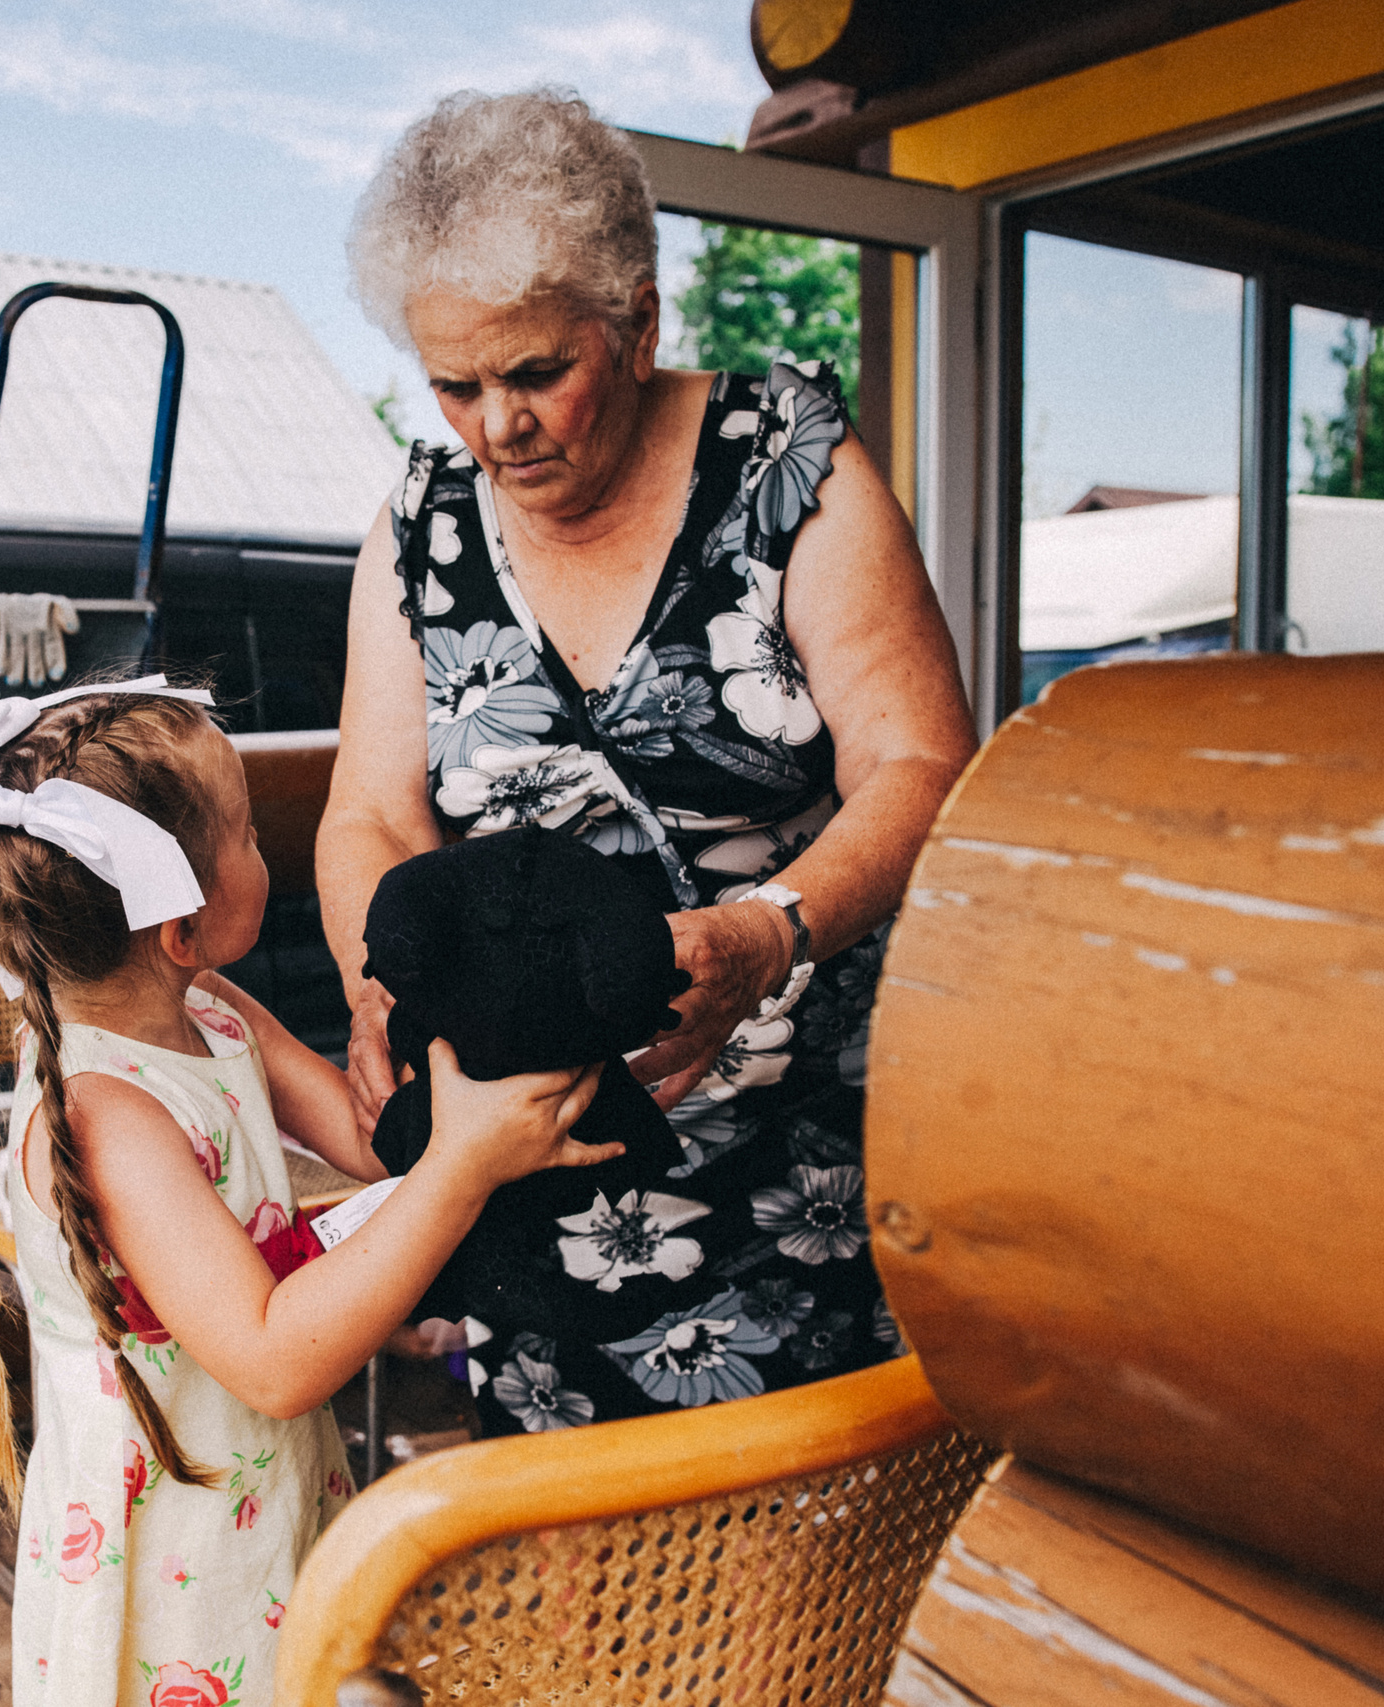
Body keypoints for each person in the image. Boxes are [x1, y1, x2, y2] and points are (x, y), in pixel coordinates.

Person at [318, 89, 977, 1435]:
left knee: (790, 1575)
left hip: (793, 1164)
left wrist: (768, 932)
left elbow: (923, 763)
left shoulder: (786, 469)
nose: (496, 425)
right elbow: (368, 811)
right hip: (531, 1162)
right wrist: (377, 982)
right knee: (573, 1582)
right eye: (457, 383)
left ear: (637, 318)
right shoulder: (420, 527)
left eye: (537, 371)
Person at [0, 638, 618, 1707]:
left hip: (265, 1491)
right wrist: (459, 1168)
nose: (267, 847)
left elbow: (368, 1144)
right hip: (181, 1554)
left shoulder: (212, 1011)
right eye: (252, 834)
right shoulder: (104, 1121)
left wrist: (498, 1078)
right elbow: (272, 1360)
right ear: (178, 924)